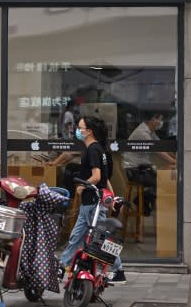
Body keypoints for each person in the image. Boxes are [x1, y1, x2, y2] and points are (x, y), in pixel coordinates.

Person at [59, 116, 126, 284]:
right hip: (92, 202)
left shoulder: (93, 150)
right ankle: (63, 265)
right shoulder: (99, 150)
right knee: (77, 236)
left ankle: (119, 270)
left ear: (89, 131)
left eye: (79, 128)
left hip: (93, 202)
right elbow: (104, 178)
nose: (77, 130)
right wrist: (113, 196)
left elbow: (96, 177)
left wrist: (83, 186)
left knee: (100, 238)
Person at [122, 112, 176, 216]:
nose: (161, 123)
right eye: (159, 120)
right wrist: (172, 161)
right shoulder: (142, 133)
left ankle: (144, 202)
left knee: (162, 180)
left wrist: (175, 157)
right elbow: (157, 150)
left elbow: (161, 146)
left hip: (143, 168)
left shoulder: (150, 132)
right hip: (135, 170)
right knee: (161, 182)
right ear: (152, 119)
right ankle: (140, 200)